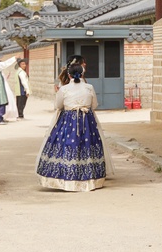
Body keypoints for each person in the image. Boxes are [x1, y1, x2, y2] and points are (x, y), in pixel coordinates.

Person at [36, 61, 110, 191]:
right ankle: (90, 180)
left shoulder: (64, 89)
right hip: (87, 120)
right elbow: (94, 105)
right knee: (88, 146)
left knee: (67, 145)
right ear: (82, 74)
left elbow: (58, 106)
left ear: (69, 75)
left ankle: (66, 180)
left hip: (68, 120)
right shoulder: (89, 87)